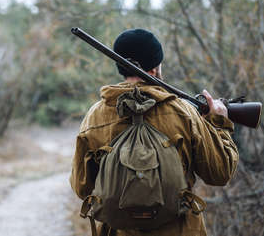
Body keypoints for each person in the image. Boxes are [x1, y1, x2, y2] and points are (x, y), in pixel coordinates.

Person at [70, 29, 239, 236]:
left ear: (121, 67)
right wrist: (219, 122)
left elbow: (82, 188)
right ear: (155, 68)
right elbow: (220, 173)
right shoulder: (183, 112)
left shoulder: (95, 117)